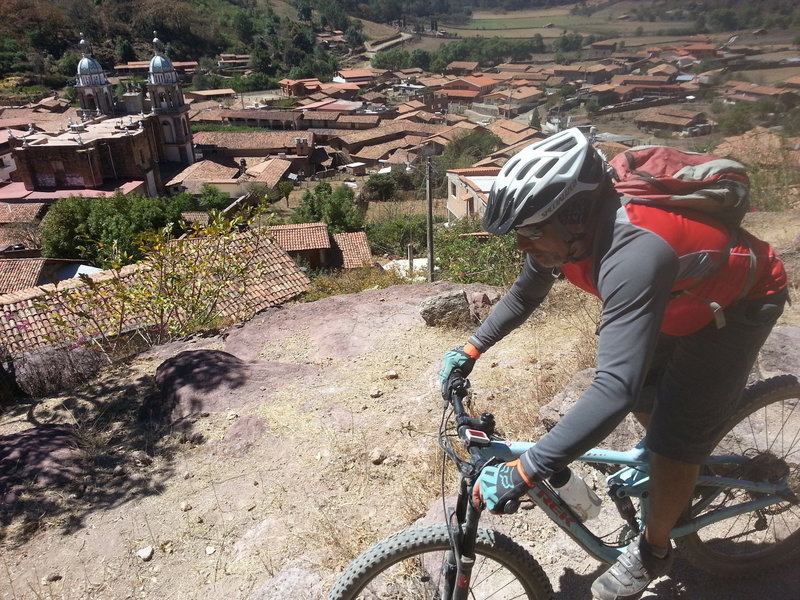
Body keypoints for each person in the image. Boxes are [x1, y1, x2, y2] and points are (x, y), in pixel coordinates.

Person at [439, 127, 788, 600]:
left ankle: (654, 549)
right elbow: (526, 293)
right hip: (674, 299)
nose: (523, 246)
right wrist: (470, 350)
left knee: (676, 440)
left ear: (576, 216)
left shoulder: (633, 252)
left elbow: (612, 391)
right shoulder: (565, 236)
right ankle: (669, 473)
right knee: (655, 410)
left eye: (529, 233)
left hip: (735, 306)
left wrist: (526, 470)